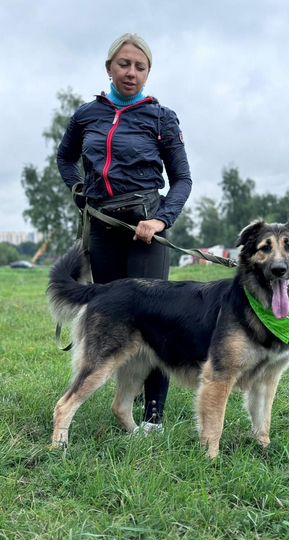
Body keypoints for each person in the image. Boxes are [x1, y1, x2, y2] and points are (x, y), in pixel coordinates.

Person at [57, 32, 192, 434]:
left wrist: (162, 219)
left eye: (140, 66)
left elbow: (182, 179)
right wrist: (79, 188)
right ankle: (122, 404)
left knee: (155, 322)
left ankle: (153, 418)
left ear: (148, 72)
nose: (131, 72)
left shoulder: (161, 117)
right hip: (102, 229)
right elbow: (65, 158)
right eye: (124, 64)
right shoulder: (86, 115)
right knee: (113, 324)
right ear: (109, 68)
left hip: (144, 229)